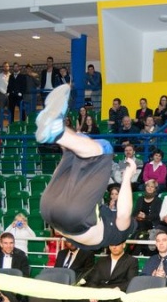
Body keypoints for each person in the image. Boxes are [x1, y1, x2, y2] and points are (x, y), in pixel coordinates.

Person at [36, 84, 136, 251]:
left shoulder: (119, 234)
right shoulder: (96, 214)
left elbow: (125, 214)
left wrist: (127, 177)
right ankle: (58, 129)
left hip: (75, 216)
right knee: (76, 149)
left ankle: (58, 132)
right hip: (48, 209)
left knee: (105, 148)